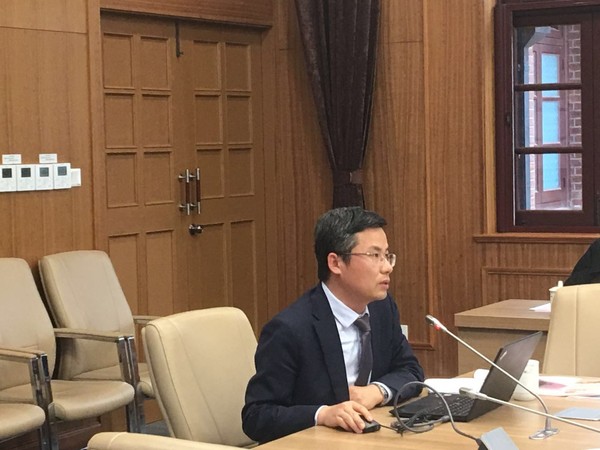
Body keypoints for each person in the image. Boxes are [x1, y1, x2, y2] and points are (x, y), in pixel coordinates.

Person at [242, 206, 424, 443]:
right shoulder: (290, 329)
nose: (387, 267)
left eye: (387, 255)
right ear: (335, 263)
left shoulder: (382, 308)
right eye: (374, 255)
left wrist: (377, 391)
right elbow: (257, 416)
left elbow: (410, 370)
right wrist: (322, 414)